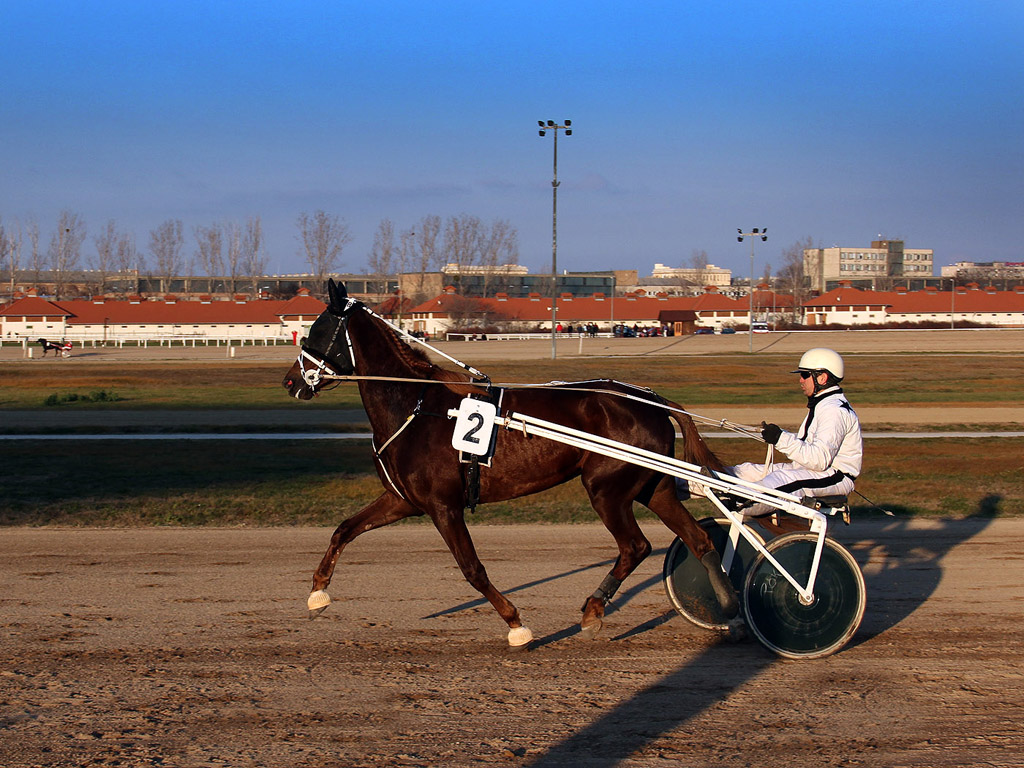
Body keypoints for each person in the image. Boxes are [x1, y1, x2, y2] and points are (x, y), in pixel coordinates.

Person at [681, 348, 862, 519]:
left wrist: (780, 438)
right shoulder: (824, 404)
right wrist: (780, 436)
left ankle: (739, 500)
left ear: (822, 378)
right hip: (811, 471)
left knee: (782, 479)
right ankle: (679, 484)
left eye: (805, 375)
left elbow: (819, 459)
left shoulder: (834, 410)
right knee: (746, 471)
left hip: (834, 478)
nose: (800, 380)